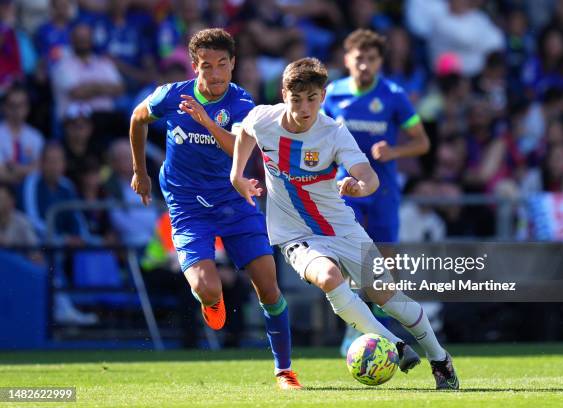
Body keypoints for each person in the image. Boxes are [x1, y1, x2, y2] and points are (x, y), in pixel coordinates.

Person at [230, 57, 459, 390]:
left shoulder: (334, 132)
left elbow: (369, 177)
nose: (303, 107)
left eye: (311, 98)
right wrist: (236, 173)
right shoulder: (264, 118)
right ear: (284, 94)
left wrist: (360, 185)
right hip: (294, 233)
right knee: (328, 276)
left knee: (386, 296)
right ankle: (392, 344)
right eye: (296, 99)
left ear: (322, 96)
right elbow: (245, 132)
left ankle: (440, 360)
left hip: (341, 228)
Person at [129, 28, 300, 389]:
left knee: (268, 288)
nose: (216, 73)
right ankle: (210, 301)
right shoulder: (170, 96)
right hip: (187, 205)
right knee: (208, 288)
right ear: (195, 67)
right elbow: (137, 119)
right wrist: (140, 171)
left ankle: (284, 370)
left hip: (233, 201)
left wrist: (205, 121)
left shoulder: (242, 103)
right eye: (207, 66)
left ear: (233, 64)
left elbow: (237, 148)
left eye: (223, 64)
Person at [322, 29, 431, 354]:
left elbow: (422, 142)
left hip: (382, 192)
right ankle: (352, 328)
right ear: (347, 60)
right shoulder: (332, 95)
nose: (365, 65)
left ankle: (383, 325)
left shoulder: (394, 95)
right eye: (359, 59)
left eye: (371, 59)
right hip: (346, 188)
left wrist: (394, 152)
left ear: (380, 61)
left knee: (385, 263)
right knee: (349, 258)